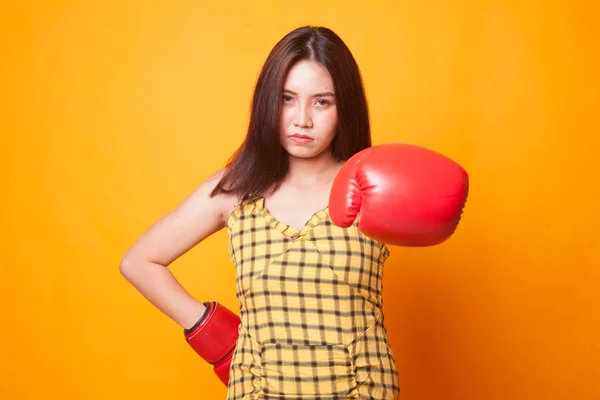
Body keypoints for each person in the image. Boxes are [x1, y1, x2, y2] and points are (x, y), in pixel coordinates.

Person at [120, 25, 468, 400]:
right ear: (268, 101)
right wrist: (210, 330)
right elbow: (140, 261)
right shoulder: (235, 191)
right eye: (288, 99)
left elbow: (438, 218)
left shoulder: (372, 182)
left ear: (344, 107)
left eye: (322, 102)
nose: (302, 119)